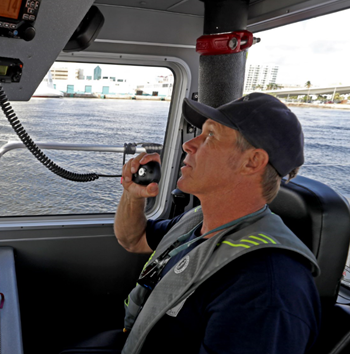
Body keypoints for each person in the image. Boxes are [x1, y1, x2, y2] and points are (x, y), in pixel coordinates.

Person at [106, 93, 320, 353]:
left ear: (252, 161)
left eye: (210, 135)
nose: (189, 145)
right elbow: (134, 239)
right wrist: (133, 195)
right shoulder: (198, 222)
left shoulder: (266, 287)